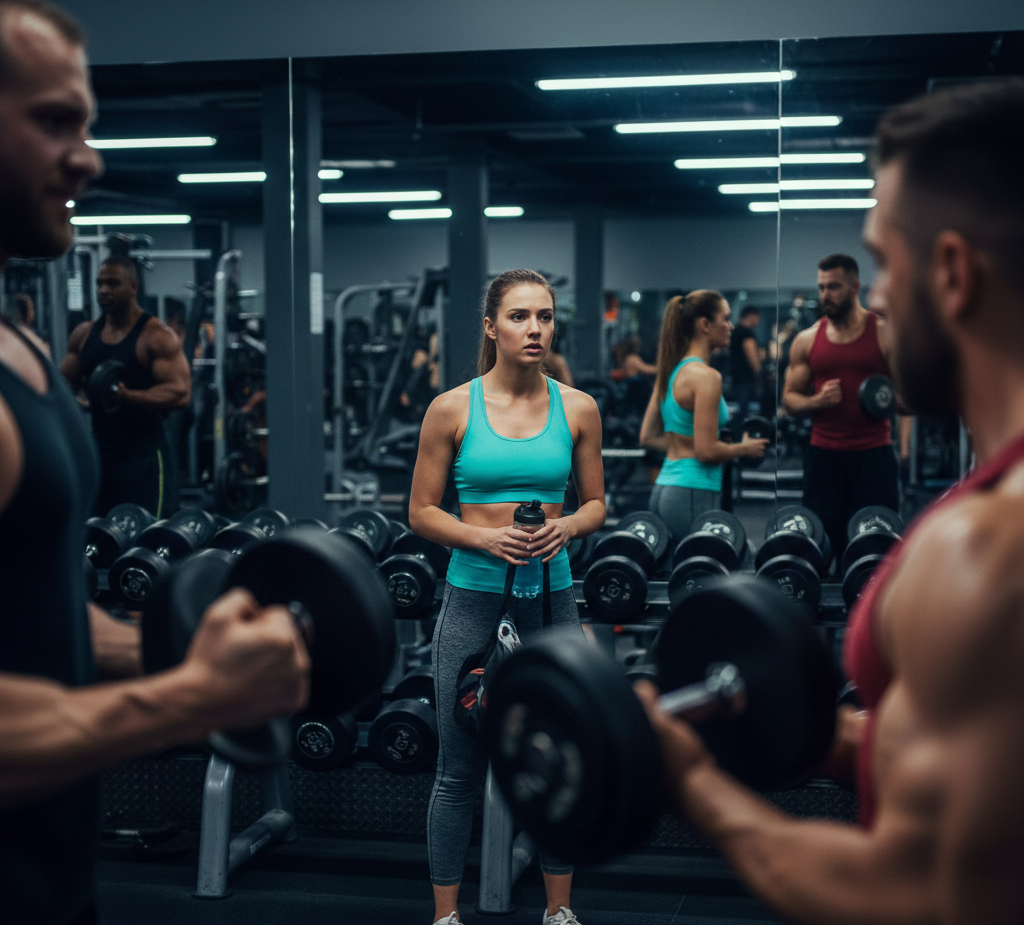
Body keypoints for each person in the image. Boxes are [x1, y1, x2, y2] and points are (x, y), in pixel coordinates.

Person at [638, 78, 1024, 925]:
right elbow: (953, 761)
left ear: (954, 272)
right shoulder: (987, 508)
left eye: (886, 261)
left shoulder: (990, 548)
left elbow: (914, 890)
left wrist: (690, 781)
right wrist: (798, 727)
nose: (877, 294)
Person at [0, 4, 311, 922]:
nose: (91, 157)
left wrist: (165, 649)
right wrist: (189, 697)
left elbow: (39, 611)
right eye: (56, 120)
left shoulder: (23, 349)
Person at [409, 268, 606, 925]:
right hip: (472, 598)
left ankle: (558, 910)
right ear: (491, 326)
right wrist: (484, 538)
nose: (536, 329)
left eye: (546, 316)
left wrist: (568, 525)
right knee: (458, 768)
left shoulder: (576, 407)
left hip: (550, 601)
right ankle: (445, 915)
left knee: (557, 757)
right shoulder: (452, 408)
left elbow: (597, 503)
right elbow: (421, 511)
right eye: (520, 316)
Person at [782, 252, 900, 569]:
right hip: (824, 457)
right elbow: (789, 400)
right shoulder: (807, 341)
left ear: (854, 287)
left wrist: (884, 400)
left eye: (833, 287)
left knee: (874, 550)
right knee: (819, 548)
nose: (825, 295)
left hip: (873, 455)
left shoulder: (884, 334)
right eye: (821, 287)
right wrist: (815, 402)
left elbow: (912, 398)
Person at [59, 254, 191, 518]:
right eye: (99, 284)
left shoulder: (156, 336)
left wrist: (127, 396)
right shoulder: (83, 335)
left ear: (133, 287)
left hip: (144, 458)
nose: (103, 290)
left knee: (148, 538)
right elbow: (60, 388)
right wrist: (81, 402)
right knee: (98, 536)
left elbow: (180, 393)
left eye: (113, 283)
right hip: (98, 455)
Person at [639, 291, 767, 541]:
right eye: (726, 318)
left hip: (665, 488)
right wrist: (744, 448)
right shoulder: (706, 377)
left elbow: (647, 437)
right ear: (705, 324)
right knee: (707, 572)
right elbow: (706, 452)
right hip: (693, 491)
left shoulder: (671, 372)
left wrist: (690, 443)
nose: (731, 326)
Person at [727, 305, 762, 438]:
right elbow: (752, 356)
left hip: (737, 378)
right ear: (750, 316)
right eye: (757, 318)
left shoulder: (736, 332)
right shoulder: (746, 333)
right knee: (743, 412)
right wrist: (758, 375)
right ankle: (738, 438)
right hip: (745, 380)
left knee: (742, 411)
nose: (758, 322)